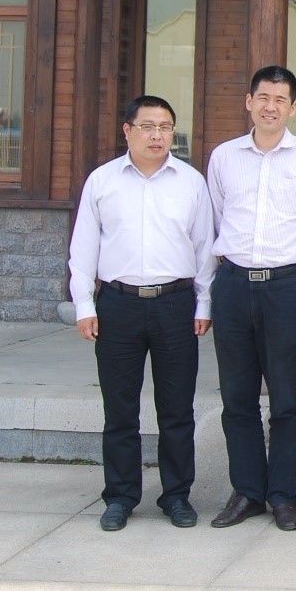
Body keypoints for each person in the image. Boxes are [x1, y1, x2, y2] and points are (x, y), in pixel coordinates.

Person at [68, 95, 214, 532]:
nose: (157, 135)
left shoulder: (190, 182)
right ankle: (120, 496)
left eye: (165, 127)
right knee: (120, 409)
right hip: (118, 304)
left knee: (177, 409)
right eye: (148, 126)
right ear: (127, 130)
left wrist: (204, 303)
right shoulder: (102, 181)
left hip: (175, 304)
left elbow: (205, 249)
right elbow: (83, 247)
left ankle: (176, 496)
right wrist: (84, 305)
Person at [207, 65, 296, 531]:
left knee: (286, 399)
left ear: (293, 108)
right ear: (249, 101)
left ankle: (283, 495)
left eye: (280, 99)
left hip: (287, 286)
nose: (270, 106)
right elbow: (215, 220)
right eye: (263, 97)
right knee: (237, 396)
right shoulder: (223, 157)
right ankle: (247, 492)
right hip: (233, 284)